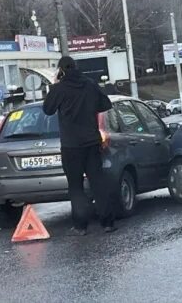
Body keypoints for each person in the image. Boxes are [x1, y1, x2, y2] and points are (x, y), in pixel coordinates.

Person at [43, 56, 115, 235]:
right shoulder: (90, 84)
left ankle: (81, 226)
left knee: (75, 186)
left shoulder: (59, 89)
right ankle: (107, 223)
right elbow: (105, 103)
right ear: (75, 67)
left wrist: (55, 85)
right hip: (91, 142)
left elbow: (48, 109)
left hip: (71, 145)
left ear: (61, 70)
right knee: (98, 182)